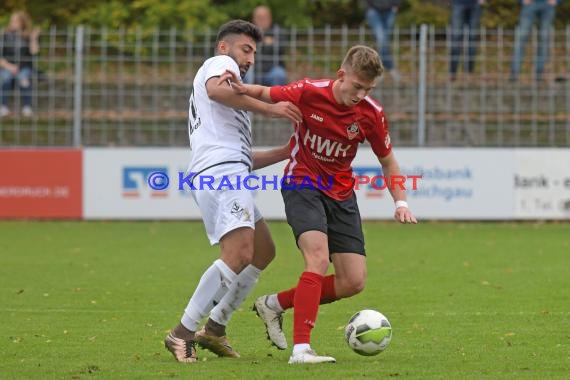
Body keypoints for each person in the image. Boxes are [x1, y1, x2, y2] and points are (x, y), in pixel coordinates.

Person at [223, 45, 417, 364]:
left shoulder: (371, 114)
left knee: (353, 281)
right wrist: (243, 88)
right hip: (303, 182)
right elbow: (268, 92)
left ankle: (274, 304)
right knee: (318, 259)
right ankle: (302, 349)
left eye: (368, 89)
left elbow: (388, 161)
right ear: (342, 75)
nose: (360, 94)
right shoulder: (309, 91)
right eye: (357, 86)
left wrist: (401, 201)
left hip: (341, 193)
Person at [164, 19, 302, 363]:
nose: (251, 59)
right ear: (224, 47)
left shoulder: (233, 91)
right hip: (221, 174)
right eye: (246, 49)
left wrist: (286, 152)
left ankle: (214, 328)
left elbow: (240, 156)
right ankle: (181, 333)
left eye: (254, 52)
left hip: (226, 170)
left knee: (263, 251)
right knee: (239, 252)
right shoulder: (219, 66)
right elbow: (215, 90)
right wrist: (270, 108)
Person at [0, 11, 40, 117]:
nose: (13, 23)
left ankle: (27, 107)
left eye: (16, 21)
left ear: (22, 22)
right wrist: (9, 66)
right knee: (5, 77)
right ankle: (3, 107)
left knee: (24, 78)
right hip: (7, 67)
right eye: (12, 20)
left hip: (24, 67)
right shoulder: (4, 36)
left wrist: (33, 38)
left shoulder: (28, 36)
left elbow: (34, 52)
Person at [510, 0, 559, 82]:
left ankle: (539, 75)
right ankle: (514, 74)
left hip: (547, 5)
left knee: (544, 40)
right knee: (520, 39)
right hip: (529, 5)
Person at [246, 5, 288, 86]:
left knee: (279, 74)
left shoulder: (277, 31)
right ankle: (246, 98)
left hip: (271, 70)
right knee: (240, 74)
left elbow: (282, 48)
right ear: (253, 19)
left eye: (264, 17)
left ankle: (275, 98)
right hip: (251, 70)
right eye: (259, 17)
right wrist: (265, 41)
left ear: (270, 18)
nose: (261, 20)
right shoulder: (247, 32)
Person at [363, 0, 402, 82]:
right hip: (373, 10)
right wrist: (368, 7)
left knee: (383, 41)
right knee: (381, 38)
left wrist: (396, 5)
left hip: (389, 9)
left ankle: (378, 70)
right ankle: (389, 68)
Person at [449, 0, 485, 81]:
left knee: (472, 39)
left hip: (475, 4)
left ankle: (469, 72)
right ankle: (452, 73)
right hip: (458, 3)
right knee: (456, 38)